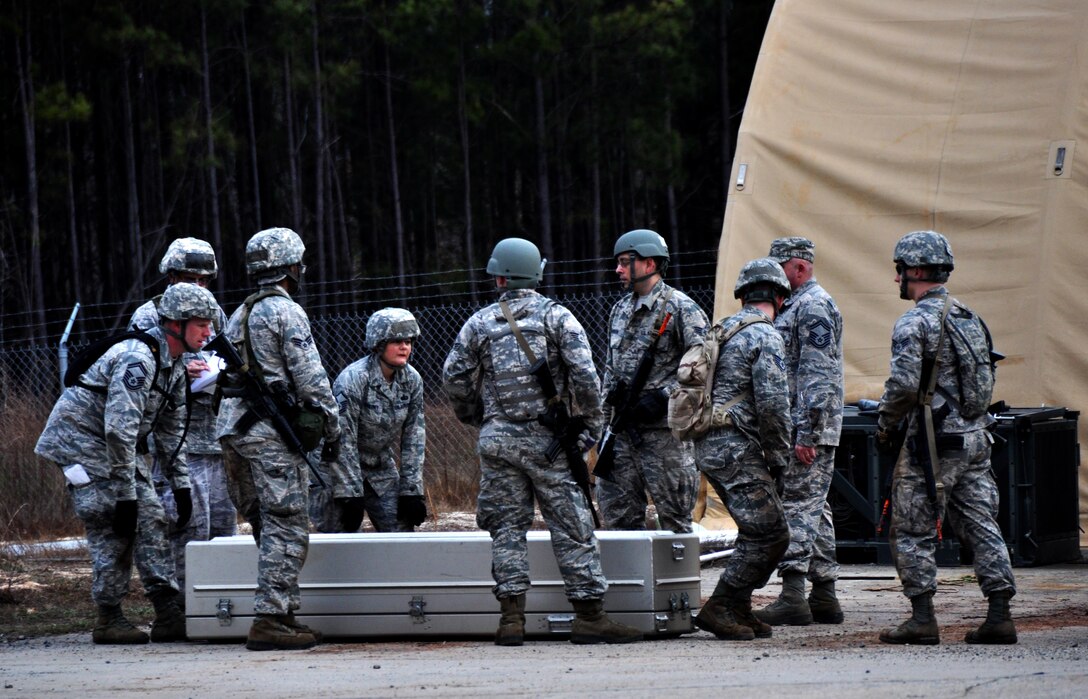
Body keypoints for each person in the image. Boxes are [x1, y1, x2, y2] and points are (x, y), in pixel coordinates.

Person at [442, 237, 642, 646]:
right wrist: (588, 424)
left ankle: (511, 620)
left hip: (498, 442)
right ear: (536, 272)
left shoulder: (479, 323)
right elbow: (586, 377)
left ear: (500, 276)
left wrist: (479, 417)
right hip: (549, 442)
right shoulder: (558, 317)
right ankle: (589, 615)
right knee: (572, 525)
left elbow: (454, 378)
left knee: (506, 528)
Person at [35, 283, 221, 644]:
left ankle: (166, 612)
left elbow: (171, 432)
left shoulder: (175, 365)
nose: (209, 332)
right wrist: (125, 494)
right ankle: (111, 616)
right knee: (114, 520)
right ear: (177, 324)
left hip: (113, 446)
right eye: (201, 324)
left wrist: (180, 485)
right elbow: (119, 430)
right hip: (81, 444)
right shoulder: (139, 358)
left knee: (149, 516)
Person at [876, 230, 1016, 646]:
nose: (897, 278)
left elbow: (902, 385)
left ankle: (922, 619)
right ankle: (999, 615)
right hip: (975, 438)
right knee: (981, 524)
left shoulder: (914, 321)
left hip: (933, 445)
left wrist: (885, 424)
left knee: (911, 528)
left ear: (915, 271)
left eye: (900, 270)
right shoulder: (969, 316)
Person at [216, 227, 341, 651]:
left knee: (267, 525)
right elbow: (310, 377)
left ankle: (283, 612)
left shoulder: (240, 313)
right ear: (291, 267)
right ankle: (269, 618)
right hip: (269, 433)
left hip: (234, 431)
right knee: (287, 525)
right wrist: (332, 424)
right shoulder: (286, 312)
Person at [692, 257, 792, 641]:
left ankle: (739, 608)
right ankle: (720, 605)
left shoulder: (723, 329)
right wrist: (779, 456)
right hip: (737, 448)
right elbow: (773, 405)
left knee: (755, 531)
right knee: (773, 534)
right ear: (780, 297)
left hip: (710, 443)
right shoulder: (765, 335)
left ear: (742, 294)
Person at [130, 237, 236, 596]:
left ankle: (223, 603)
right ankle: (183, 604)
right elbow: (147, 371)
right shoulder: (150, 314)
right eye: (191, 279)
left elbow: (227, 355)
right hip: (175, 442)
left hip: (213, 437)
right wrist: (184, 371)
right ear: (171, 276)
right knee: (187, 525)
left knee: (222, 527)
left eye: (204, 280)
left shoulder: (214, 312)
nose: (198, 287)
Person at [755, 237, 845, 626]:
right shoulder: (795, 304)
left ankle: (792, 593)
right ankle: (824, 594)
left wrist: (806, 433)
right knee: (814, 507)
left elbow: (817, 373)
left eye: (781, 268)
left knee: (796, 506)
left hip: (808, 427)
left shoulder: (812, 306)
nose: (775, 276)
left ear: (800, 268)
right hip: (801, 425)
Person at [597, 229, 707, 533]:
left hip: (664, 438)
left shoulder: (681, 309)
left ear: (648, 264)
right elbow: (610, 366)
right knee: (619, 521)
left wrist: (664, 396)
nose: (618, 269)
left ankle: (678, 582)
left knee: (675, 522)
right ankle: (628, 581)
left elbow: (705, 367)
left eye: (624, 262)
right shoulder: (620, 310)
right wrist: (606, 421)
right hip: (622, 435)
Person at [313, 307, 427, 533]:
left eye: (408, 341)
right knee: (341, 538)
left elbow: (415, 436)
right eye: (397, 341)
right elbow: (341, 438)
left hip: (378, 465)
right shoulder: (353, 379)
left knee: (401, 531)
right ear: (379, 344)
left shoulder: (412, 380)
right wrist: (350, 494)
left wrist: (411, 490)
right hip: (335, 466)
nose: (405, 347)